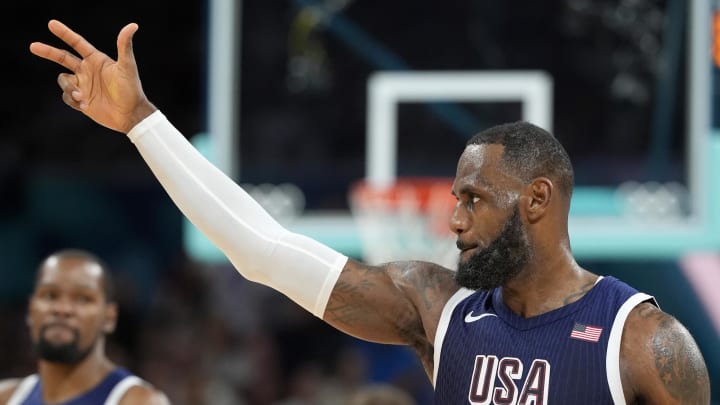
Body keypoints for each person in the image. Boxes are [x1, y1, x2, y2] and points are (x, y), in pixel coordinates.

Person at [29, 20, 710, 404]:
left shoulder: (644, 342)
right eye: (454, 200)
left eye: (474, 198)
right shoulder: (437, 308)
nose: (454, 221)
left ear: (538, 200)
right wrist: (142, 122)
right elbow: (260, 248)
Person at [0, 249, 170, 405]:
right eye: (50, 295)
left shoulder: (137, 401)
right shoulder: (7, 397)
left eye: (83, 298)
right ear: (30, 310)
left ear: (109, 318)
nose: (62, 309)